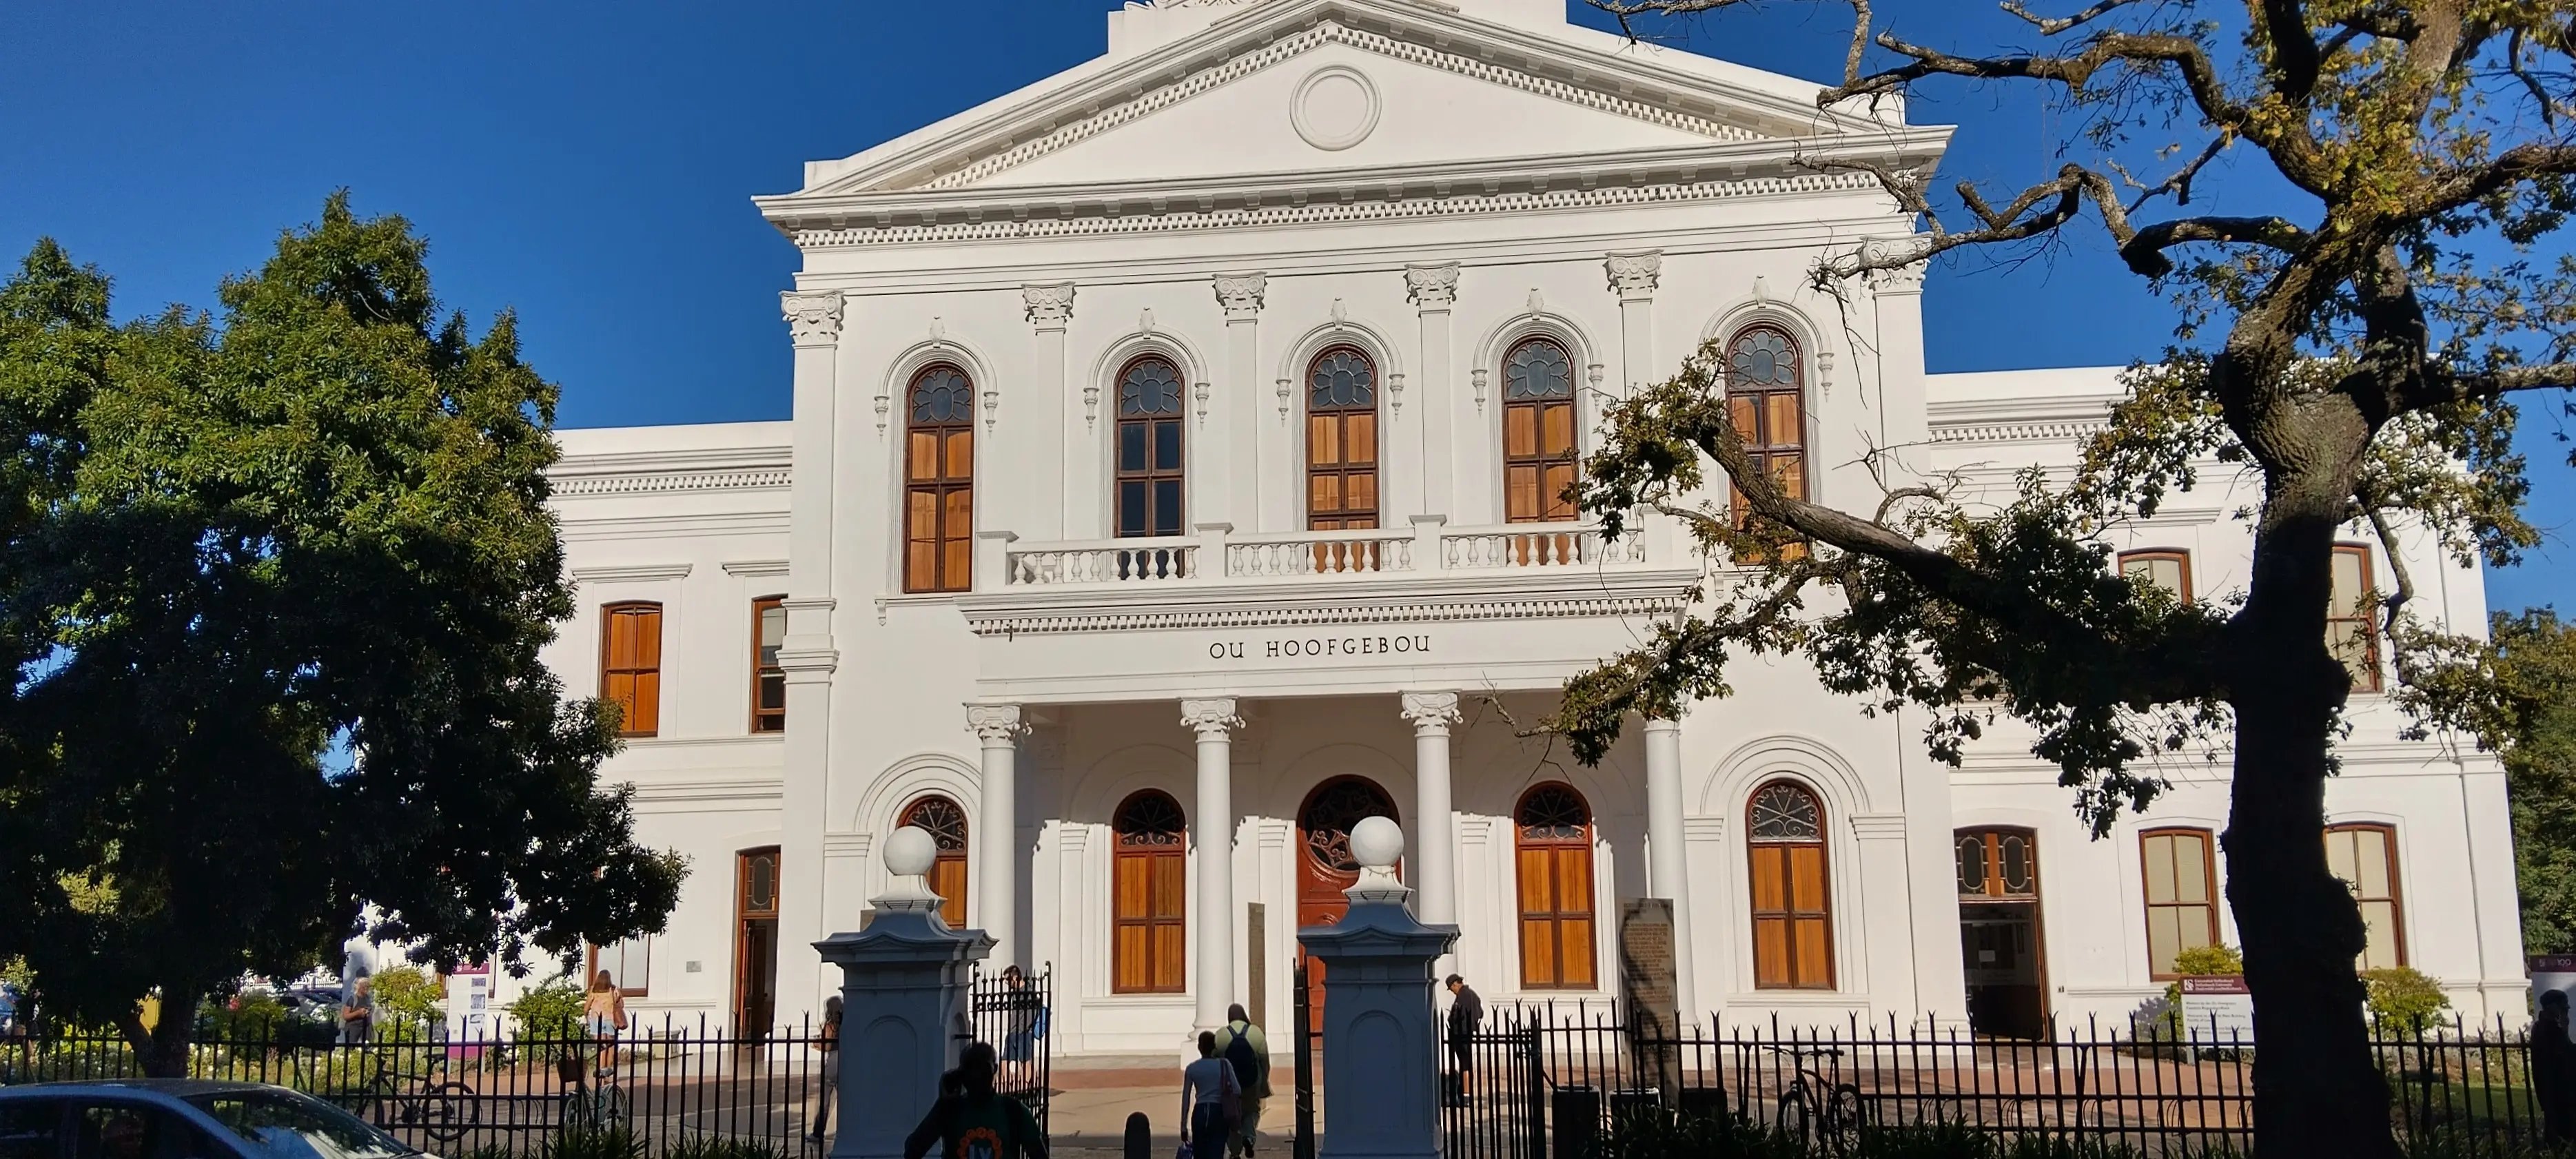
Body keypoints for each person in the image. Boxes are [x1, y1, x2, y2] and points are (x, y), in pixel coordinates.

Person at [906, 1040, 1048, 1159]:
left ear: (995, 1069)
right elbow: (913, 1150)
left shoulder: (1014, 1111)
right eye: (970, 1068)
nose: (977, 1075)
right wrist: (942, 1105)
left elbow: (1039, 1155)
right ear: (960, 1073)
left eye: (983, 1068)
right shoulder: (950, 1110)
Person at [1212, 1005, 1269, 1158]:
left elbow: (1214, 1061)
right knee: (1251, 1111)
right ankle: (1249, 1138)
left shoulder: (1221, 1035)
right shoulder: (1256, 1033)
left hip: (1229, 1087)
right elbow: (1264, 1061)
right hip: (1251, 1083)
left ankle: (1235, 1151)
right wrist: (1264, 1082)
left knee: (1231, 1116)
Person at [1179, 1029, 1240, 1159]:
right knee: (1217, 1151)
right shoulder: (1224, 1065)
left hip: (1200, 1111)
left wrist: (1183, 1126)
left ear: (1199, 1047)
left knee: (1200, 1153)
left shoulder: (1192, 1068)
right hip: (1218, 1111)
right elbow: (1237, 1090)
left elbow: (1186, 1099)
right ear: (1214, 1047)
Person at [2537, 989, 2576, 1144]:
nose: (2565, 1013)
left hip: (2555, 1095)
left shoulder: (2542, 1028)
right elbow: (2566, 1056)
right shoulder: (2550, 1031)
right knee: (2561, 1138)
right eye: (2563, 1008)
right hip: (2560, 1095)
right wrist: (2564, 1031)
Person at [808, 995, 844, 1146]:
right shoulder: (846, 1022)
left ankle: (818, 1132)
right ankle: (844, 1129)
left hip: (832, 1062)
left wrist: (816, 1045)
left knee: (825, 1099)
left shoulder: (830, 1025)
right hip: (844, 1059)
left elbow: (828, 1046)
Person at [1444, 975, 1482, 1107]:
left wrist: (1452, 1020)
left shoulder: (1462, 997)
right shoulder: (1472, 995)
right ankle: (1466, 1094)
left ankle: (1465, 1095)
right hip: (1468, 1033)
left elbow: (1457, 1016)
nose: (1452, 991)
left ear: (1456, 984)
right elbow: (1480, 1013)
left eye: (1451, 988)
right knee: (1467, 1065)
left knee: (1465, 1065)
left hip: (1461, 1034)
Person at [999, 965, 1039, 1086]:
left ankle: (1028, 1087)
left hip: (1023, 1032)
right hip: (1013, 1031)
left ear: (1016, 977)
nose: (1007, 983)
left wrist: (1023, 1028)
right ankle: (1007, 1084)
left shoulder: (1028, 992)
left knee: (1025, 1061)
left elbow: (1032, 1013)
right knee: (1005, 1060)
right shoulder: (1016, 993)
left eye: (1008, 979)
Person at [585, 970, 628, 1080]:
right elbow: (621, 1005)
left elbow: (586, 1008)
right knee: (611, 1046)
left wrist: (587, 1016)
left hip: (596, 1020)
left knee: (601, 1047)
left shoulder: (593, 990)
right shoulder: (614, 989)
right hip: (610, 1019)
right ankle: (608, 1073)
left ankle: (601, 1073)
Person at [338, 977, 374, 1045]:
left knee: (366, 1048)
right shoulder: (353, 999)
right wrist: (358, 1013)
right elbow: (346, 1016)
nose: (366, 988)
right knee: (351, 1048)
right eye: (364, 986)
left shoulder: (367, 998)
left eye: (367, 986)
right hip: (353, 1028)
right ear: (359, 987)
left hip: (365, 1028)